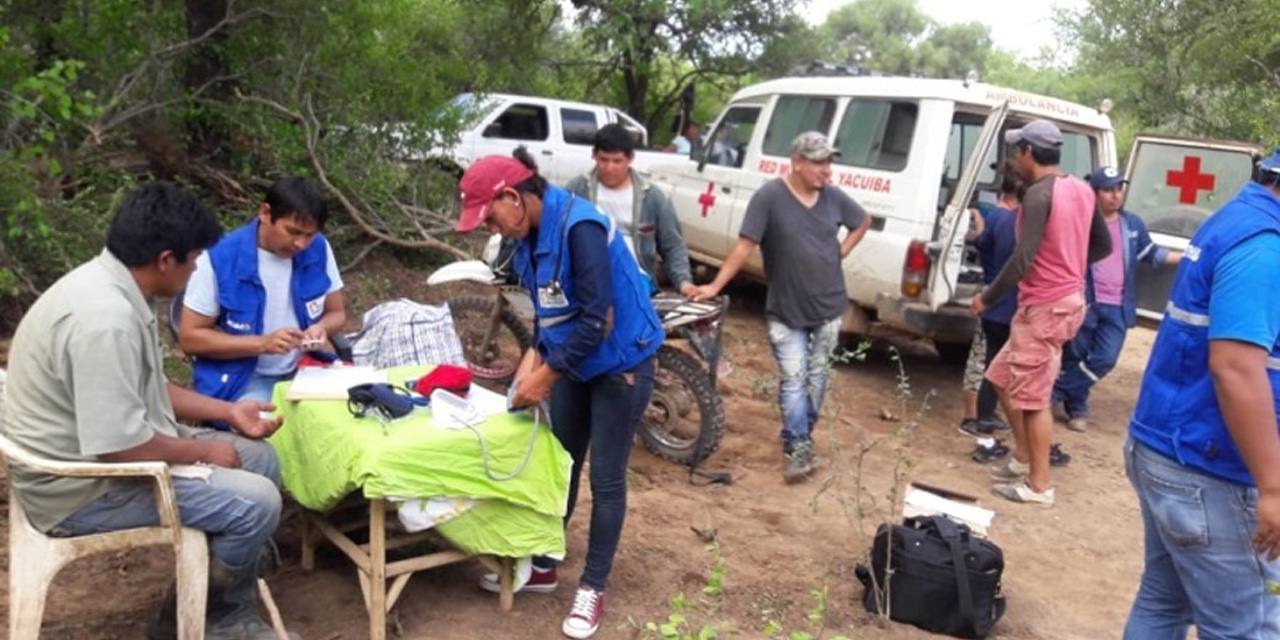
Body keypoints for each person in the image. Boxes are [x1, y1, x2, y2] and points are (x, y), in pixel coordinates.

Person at [1, 181, 298, 640]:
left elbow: (147, 387)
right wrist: (201, 452)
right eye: (195, 257)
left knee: (263, 459)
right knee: (254, 501)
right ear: (166, 260)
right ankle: (215, 620)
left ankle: (215, 587)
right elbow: (118, 447)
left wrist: (229, 411)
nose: (198, 265)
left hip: (99, 449)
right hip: (76, 489)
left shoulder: (116, 285)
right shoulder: (105, 320)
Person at [454, 149, 663, 639]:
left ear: (512, 197)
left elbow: (597, 320)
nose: (493, 228)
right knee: (561, 462)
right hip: (577, 361)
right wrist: (529, 366)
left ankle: (593, 587)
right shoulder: (525, 238)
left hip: (621, 364)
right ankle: (546, 562)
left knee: (606, 478)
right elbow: (550, 315)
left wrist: (543, 378)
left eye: (490, 216)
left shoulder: (580, 228)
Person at [1122, 148, 1280, 638]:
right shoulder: (1265, 248)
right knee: (1249, 626)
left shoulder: (1236, 218)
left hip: (1167, 449)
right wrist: (1273, 487)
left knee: (1164, 601)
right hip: (1209, 469)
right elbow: (1234, 368)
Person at [691, 131, 871, 482]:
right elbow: (745, 246)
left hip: (830, 306)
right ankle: (798, 445)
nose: (827, 170)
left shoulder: (834, 198)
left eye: (829, 162)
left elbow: (862, 222)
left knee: (816, 380)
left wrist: (841, 251)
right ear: (798, 163)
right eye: (819, 162)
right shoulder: (770, 197)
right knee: (793, 379)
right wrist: (714, 285)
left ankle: (797, 433)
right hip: (786, 309)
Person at [973, 119, 1111, 505]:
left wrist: (986, 297)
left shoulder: (1037, 195)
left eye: (1019, 150)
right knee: (1001, 377)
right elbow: (1102, 245)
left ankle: (1039, 485)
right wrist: (1068, 261)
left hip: (1045, 306)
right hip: (1061, 301)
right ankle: (1023, 454)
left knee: (1033, 398)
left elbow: (1022, 258)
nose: (1016, 158)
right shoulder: (1082, 190)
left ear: (1030, 152)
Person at [179, 176, 347, 405]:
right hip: (242, 379)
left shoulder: (319, 248)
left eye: (309, 235)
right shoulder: (219, 258)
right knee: (272, 428)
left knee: (343, 416)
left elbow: (337, 314)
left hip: (304, 371)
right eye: (293, 231)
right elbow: (190, 339)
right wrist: (262, 344)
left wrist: (321, 328)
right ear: (265, 213)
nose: (301, 244)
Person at [1051, 166, 1182, 432]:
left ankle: (1054, 393)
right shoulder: (1082, 220)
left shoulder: (1131, 224)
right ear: (1095, 192)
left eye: (1119, 189)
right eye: (1108, 189)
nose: (1115, 195)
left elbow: (1152, 255)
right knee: (1075, 355)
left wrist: (1188, 257)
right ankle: (1077, 409)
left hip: (1117, 306)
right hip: (1085, 300)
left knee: (1105, 358)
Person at [566, 123, 698, 298]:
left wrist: (684, 283)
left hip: (638, 284)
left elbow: (672, 245)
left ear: (630, 159)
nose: (609, 168)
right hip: (587, 282)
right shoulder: (577, 190)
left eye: (617, 161)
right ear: (594, 155)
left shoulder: (653, 197)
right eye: (603, 160)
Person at [959, 162, 1022, 461]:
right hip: (1007, 305)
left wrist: (977, 219)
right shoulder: (1015, 222)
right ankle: (987, 434)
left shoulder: (996, 217)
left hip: (991, 302)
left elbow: (982, 243)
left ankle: (984, 437)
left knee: (987, 367)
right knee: (998, 372)